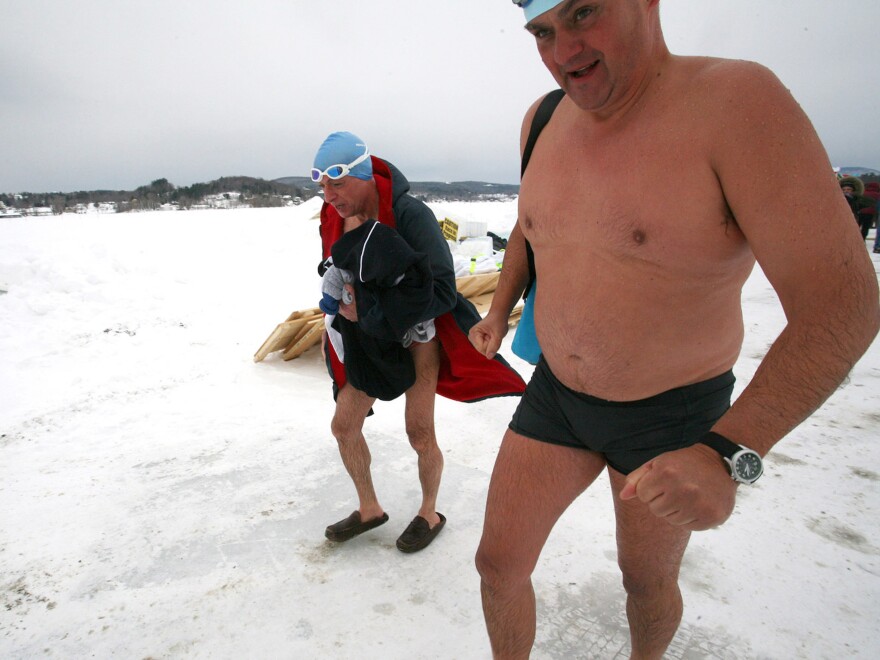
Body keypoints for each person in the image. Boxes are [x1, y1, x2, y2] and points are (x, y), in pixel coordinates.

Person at [468, 1, 880, 657]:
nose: (563, 49)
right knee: (498, 566)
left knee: (645, 581)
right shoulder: (543, 119)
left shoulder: (735, 104)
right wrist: (498, 310)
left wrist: (729, 452)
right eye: (543, 31)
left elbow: (843, 303)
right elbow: (531, 225)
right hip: (558, 396)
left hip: (671, 412)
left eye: (583, 14)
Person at [312, 131, 526, 553]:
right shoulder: (335, 216)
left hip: (416, 338)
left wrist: (376, 312)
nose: (329, 195)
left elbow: (444, 291)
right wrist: (332, 323)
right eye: (322, 186)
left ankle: (429, 512)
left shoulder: (410, 216)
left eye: (336, 183)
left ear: (365, 173)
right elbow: (335, 271)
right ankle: (369, 508)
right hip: (366, 338)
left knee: (420, 434)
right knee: (344, 425)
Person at [839, 176, 874, 240]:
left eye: (848, 189)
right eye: (843, 190)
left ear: (853, 190)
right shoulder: (837, 200)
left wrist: (855, 197)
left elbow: (870, 202)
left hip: (853, 223)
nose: (846, 191)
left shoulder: (855, 200)